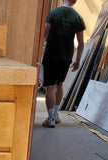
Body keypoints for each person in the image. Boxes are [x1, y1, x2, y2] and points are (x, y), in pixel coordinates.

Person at [42, 0, 85, 128]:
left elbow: (43, 34)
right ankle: (56, 115)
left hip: (51, 55)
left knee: (50, 87)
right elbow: (81, 43)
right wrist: (77, 60)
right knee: (60, 84)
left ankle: (50, 119)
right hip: (66, 57)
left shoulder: (53, 13)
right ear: (75, 1)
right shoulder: (77, 17)